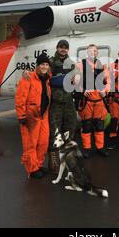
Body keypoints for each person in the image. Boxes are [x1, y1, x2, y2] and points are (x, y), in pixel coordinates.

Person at [23, 40, 77, 175]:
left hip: (68, 102)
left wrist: (76, 77)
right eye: (61, 47)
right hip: (55, 103)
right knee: (54, 133)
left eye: (65, 48)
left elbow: (76, 77)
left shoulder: (71, 63)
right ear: (57, 48)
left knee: (70, 130)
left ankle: (68, 159)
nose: (63, 49)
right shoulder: (51, 62)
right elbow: (42, 74)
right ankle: (54, 163)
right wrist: (27, 72)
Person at [15, 53, 51, 178]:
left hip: (43, 116)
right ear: (37, 65)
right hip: (31, 116)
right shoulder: (28, 78)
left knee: (43, 142)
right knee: (31, 143)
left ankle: (39, 165)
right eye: (42, 64)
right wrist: (21, 116)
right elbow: (20, 98)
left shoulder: (47, 79)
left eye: (46, 64)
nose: (44, 67)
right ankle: (32, 169)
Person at [75, 44, 110, 158]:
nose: (93, 53)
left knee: (99, 126)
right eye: (90, 51)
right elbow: (76, 79)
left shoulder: (102, 66)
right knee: (87, 126)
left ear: (97, 53)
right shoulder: (80, 65)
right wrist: (82, 90)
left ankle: (100, 148)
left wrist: (106, 90)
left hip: (99, 101)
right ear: (87, 52)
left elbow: (108, 80)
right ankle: (87, 148)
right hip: (87, 101)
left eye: (95, 51)